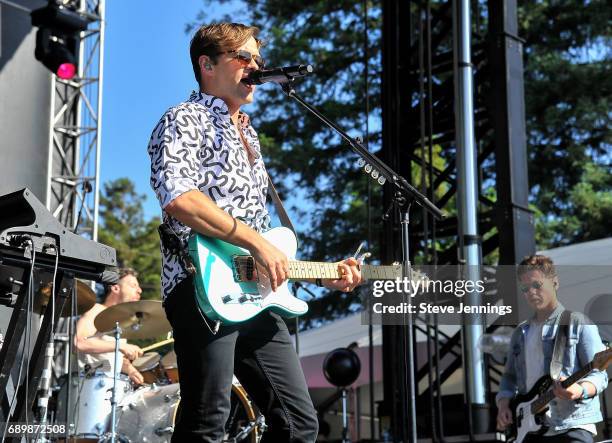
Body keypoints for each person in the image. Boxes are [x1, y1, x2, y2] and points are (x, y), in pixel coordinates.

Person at [147, 22, 362, 442]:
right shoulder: (182, 119)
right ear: (206, 65)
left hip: (254, 295)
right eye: (243, 57)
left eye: (258, 60)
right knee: (208, 419)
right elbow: (179, 197)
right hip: (199, 287)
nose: (255, 67)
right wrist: (257, 242)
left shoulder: (248, 133)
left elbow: (266, 238)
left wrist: (320, 273)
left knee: (299, 423)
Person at [496, 255, 608, 442]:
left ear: (555, 282)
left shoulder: (577, 322)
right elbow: (509, 377)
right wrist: (503, 403)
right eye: (525, 288)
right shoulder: (520, 332)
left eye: (537, 285)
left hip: (572, 425)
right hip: (530, 430)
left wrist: (580, 390)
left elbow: (599, 375)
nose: (531, 292)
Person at [74, 268, 145, 385]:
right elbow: (79, 342)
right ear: (115, 288)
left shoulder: (121, 322)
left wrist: (130, 370)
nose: (139, 290)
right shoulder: (97, 310)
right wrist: (121, 346)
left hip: (110, 388)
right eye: (133, 286)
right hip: (87, 387)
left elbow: (111, 357)